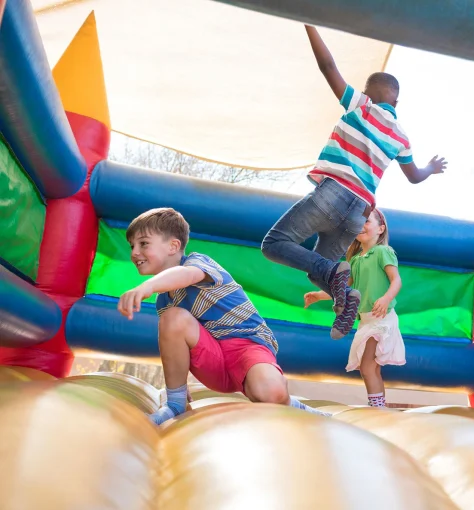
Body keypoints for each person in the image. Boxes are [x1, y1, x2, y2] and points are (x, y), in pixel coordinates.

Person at [261, 25, 446, 341]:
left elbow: (328, 67)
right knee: (320, 268)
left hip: (333, 193)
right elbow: (414, 177)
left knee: (275, 244)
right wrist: (429, 167)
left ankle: (337, 282)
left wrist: (309, 23)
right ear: (396, 104)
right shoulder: (401, 136)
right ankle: (346, 298)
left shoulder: (361, 105)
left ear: (368, 93)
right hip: (360, 211)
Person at [117, 207, 329, 424]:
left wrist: (148, 286)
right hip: (214, 363)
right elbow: (178, 346)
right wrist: (178, 386)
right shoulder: (165, 301)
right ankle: (175, 404)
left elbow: (186, 275)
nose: (134, 252)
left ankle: (291, 403)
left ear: (173, 246)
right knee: (173, 318)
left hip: (247, 347)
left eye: (143, 244)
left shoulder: (198, 263)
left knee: (270, 393)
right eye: (132, 246)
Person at [304, 209, 404, 408]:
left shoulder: (383, 252)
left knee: (368, 366)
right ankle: (379, 405)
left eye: (367, 222)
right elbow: (344, 289)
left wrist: (385, 298)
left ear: (380, 229)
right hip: (366, 320)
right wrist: (318, 295)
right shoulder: (356, 260)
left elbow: (396, 280)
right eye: (359, 223)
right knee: (369, 368)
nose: (362, 226)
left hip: (381, 318)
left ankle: (378, 407)